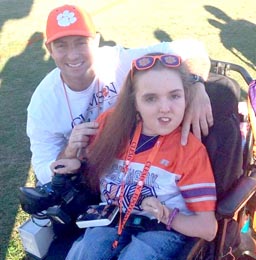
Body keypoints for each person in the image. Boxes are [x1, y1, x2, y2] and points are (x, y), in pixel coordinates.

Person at [52, 53, 218, 260]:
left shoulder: (190, 151)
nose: (165, 108)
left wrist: (165, 214)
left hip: (161, 230)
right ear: (135, 102)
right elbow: (84, 163)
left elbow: (207, 228)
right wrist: (71, 156)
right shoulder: (110, 126)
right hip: (110, 221)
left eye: (174, 95)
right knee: (88, 251)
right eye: (150, 98)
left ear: (186, 96)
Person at [26, 4, 213, 185]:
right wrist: (69, 152)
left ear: (96, 41)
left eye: (81, 43)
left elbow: (192, 49)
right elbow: (43, 169)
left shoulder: (116, 61)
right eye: (61, 46)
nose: (73, 55)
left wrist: (196, 85)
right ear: (49, 49)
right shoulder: (43, 103)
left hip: (132, 161)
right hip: (87, 176)